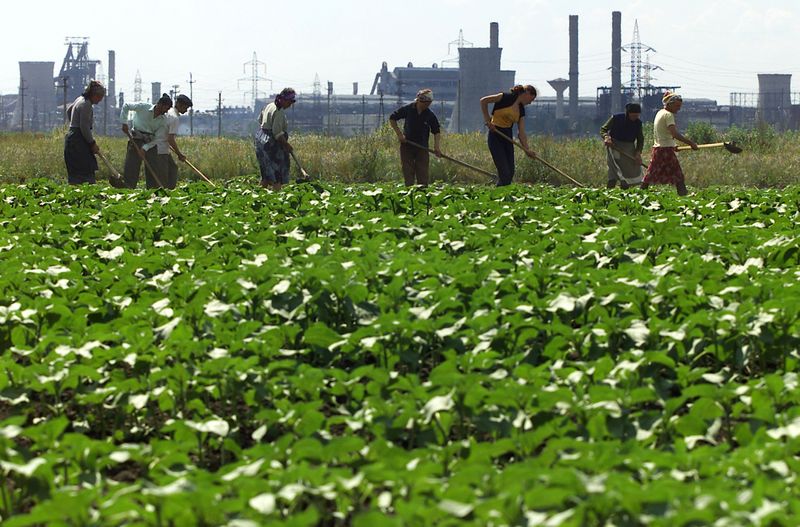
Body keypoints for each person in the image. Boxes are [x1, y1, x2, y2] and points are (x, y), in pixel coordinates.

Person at [641, 92, 698, 196]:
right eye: (677, 106)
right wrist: (691, 143)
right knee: (677, 174)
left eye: (679, 106)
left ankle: (641, 192)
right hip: (665, 150)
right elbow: (674, 133)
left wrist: (673, 144)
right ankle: (683, 194)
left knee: (652, 173)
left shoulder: (660, 113)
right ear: (669, 104)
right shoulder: (668, 115)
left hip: (660, 148)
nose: (678, 109)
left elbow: (665, 134)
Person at [480, 85, 537, 186]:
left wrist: (527, 149)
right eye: (531, 99)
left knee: (510, 172)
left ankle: (504, 197)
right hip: (495, 135)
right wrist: (488, 121)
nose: (530, 102)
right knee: (505, 173)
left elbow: (521, 133)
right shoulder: (504, 97)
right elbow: (483, 101)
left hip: (507, 138)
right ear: (527, 93)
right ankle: (497, 197)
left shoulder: (521, 110)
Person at [389, 88, 442, 186]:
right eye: (425, 103)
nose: (427, 105)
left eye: (429, 103)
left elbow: (436, 131)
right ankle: (409, 192)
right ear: (419, 101)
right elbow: (392, 118)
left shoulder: (429, 114)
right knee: (408, 171)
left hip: (422, 147)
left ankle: (422, 194)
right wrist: (400, 135)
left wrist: (437, 147)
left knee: (422, 173)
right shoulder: (408, 109)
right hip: (407, 145)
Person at [119, 94, 173, 189]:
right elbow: (126, 106)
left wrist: (145, 148)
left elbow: (158, 139)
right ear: (160, 104)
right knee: (132, 166)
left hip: (150, 143)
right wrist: (124, 122)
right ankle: (128, 188)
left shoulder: (163, 120)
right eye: (166, 108)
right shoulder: (144, 107)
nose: (166, 111)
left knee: (152, 167)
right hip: (136, 139)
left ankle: (152, 191)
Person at [254, 88, 296, 191]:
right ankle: (276, 199)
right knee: (277, 175)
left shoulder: (269, 105)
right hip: (271, 145)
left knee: (266, 174)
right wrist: (287, 145)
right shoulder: (278, 111)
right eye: (290, 102)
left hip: (261, 140)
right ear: (284, 100)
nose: (290, 105)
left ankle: (256, 196)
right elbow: (277, 133)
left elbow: (260, 120)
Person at [63, 80, 105, 185]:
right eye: (100, 97)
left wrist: (73, 123)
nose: (100, 100)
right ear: (94, 95)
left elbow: (69, 110)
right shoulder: (86, 104)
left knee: (75, 173)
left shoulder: (79, 99)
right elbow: (84, 127)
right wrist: (92, 143)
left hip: (71, 137)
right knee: (85, 171)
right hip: (78, 141)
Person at [600, 102, 645, 189]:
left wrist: (638, 153)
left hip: (629, 148)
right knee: (613, 170)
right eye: (633, 116)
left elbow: (640, 139)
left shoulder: (638, 123)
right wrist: (607, 137)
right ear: (628, 114)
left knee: (629, 171)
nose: (635, 118)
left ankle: (626, 192)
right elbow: (603, 129)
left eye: (637, 116)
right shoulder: (616, 118)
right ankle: (609, 191)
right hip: (614, 147)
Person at [163, 94, 193, 189]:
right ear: (179, 104)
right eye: (185, 107)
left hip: (162, 146)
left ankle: (166, 189)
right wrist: (179, 154)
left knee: (171, 168)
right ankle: (168, 192)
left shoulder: (169, 112)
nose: (186, 110)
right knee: (172, 169)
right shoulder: (174, 118)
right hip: (161, 148)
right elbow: (170, 138)